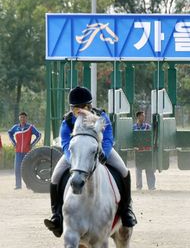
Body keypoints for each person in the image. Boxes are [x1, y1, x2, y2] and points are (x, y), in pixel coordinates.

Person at [44, 86, 137, 237]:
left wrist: (104, 153)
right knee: (55, 177)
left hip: (100, 149)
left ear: (90, 106)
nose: (80, 111)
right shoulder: (67, 121)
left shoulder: (101, 117)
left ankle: (126, 210)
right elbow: (66, 142)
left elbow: (108, 137)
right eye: (76, 109)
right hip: (75, 154)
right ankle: (56, 216)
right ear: (71, 108)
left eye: (84, 107)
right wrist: (71, 158)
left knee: (124, 171)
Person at [8, 112, 42, 190]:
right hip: (18, 152)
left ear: (26, 118)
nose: (22, 119)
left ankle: (28, 184)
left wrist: (32, 144)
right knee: (17, 168)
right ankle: (18, 185)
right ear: (19, 118)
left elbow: (39, 135)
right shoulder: (15, 127)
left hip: (27, 152)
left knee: (27, 168)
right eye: (21, 117)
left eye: (24, 117)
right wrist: (14, 143)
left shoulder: (30, 127)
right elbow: (9, 133)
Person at [133, 111, 156, 191]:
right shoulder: (134, 128)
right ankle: (139, 187)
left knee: (149, 169)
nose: (143, 117)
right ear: (138, 117)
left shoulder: (148, 127)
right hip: (138, 151)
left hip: (147, 151)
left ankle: (151, 186)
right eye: (142, 116)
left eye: (144, 116)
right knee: (138, 170)